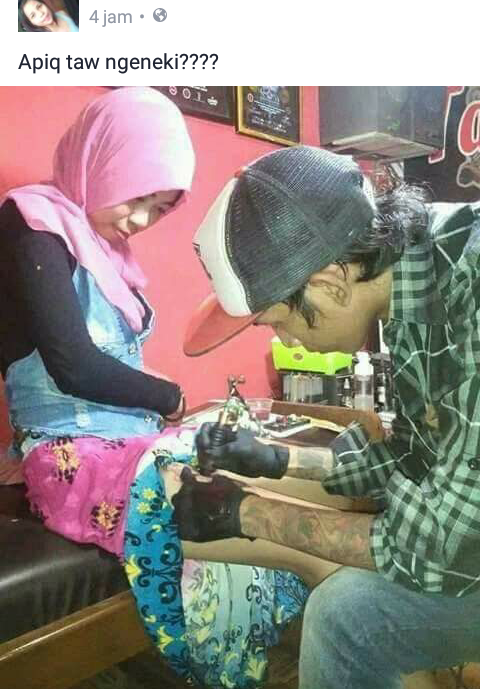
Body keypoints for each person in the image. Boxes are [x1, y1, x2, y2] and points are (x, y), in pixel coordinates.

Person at [0, 88, 314, 688]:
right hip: (67, 452)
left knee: (239, 448)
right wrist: (168, 398)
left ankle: (256, 641)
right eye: (137, 197)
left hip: (131, 439)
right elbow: (73, 366)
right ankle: (210, 662)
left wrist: (167, 406)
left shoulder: (106, 253)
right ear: (103, 160)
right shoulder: (31, 223)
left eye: (160, 209)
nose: (141, 222)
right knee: (192, 476)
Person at [173, 144, 480, 689]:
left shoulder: (470, 292)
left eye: (277, 322)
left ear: (330, 283)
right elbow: (413, 455)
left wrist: (247, 514)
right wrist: (278, 460)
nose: (284, 340)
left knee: (345, 618)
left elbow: (443, 548)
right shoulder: (410, 280)